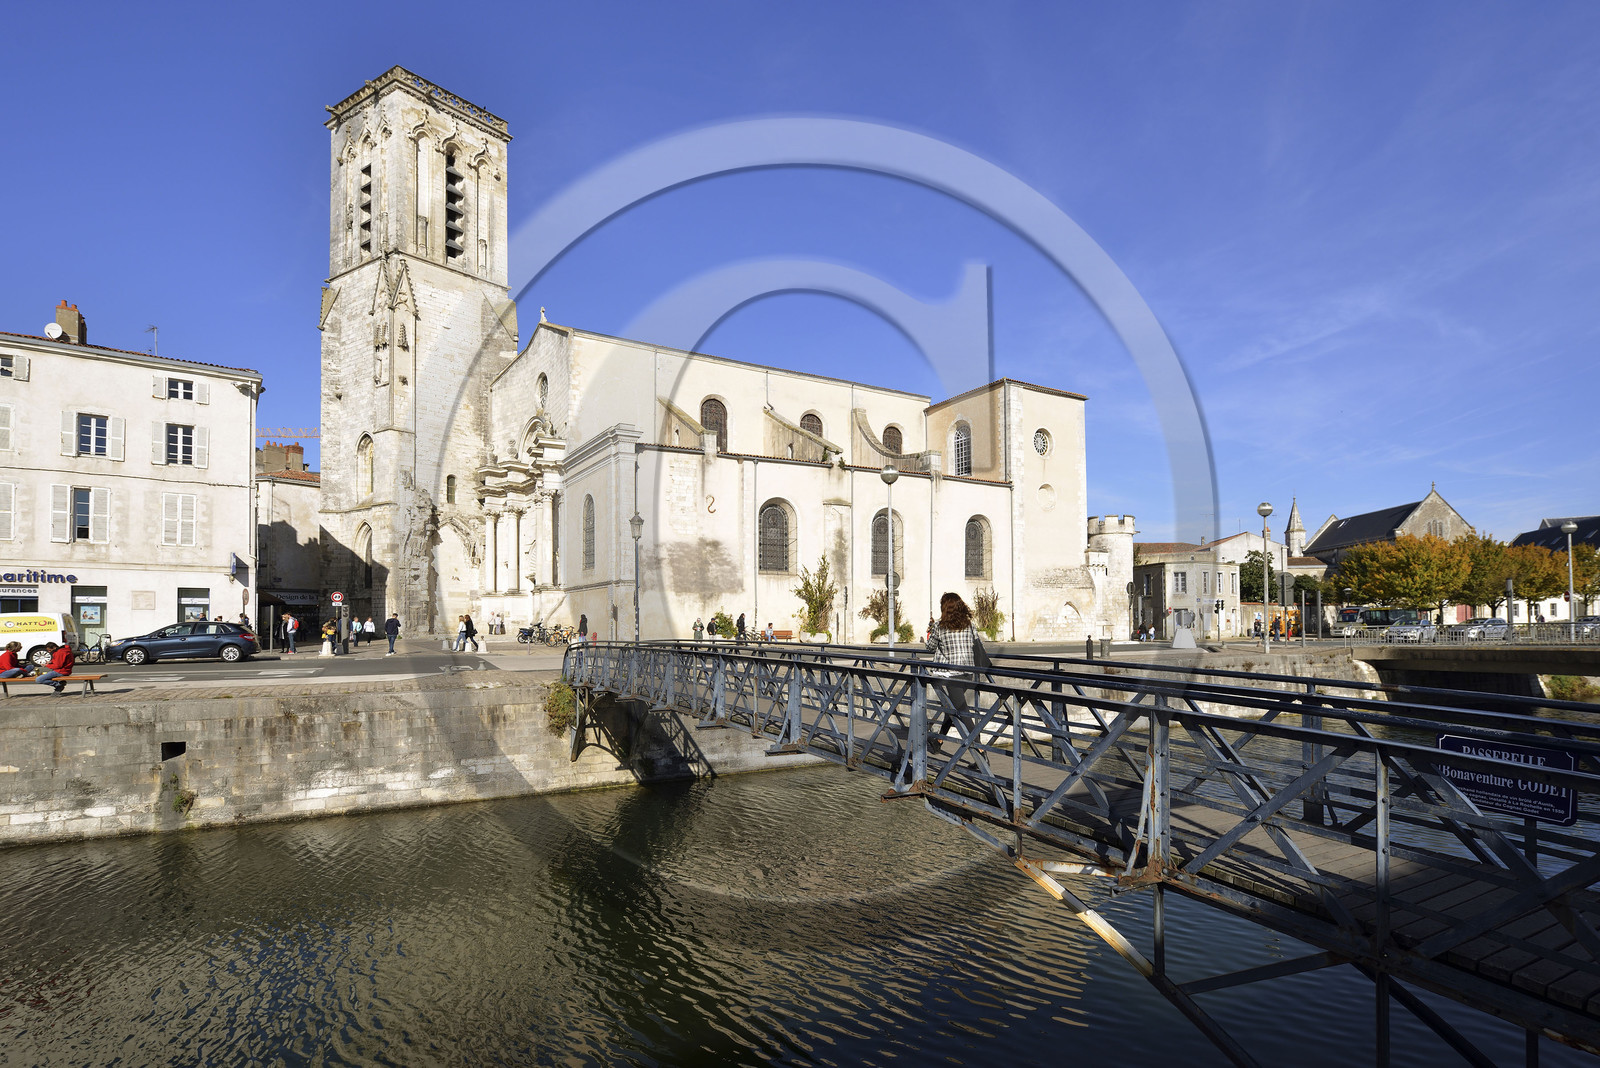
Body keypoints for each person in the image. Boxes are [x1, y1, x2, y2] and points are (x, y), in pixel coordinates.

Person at [925, 593, 983, 751]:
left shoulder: (939, 626)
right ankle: (939, 740)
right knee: (952, 706)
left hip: (950, 674)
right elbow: (976, 644)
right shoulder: (969, 625)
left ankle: (981, 750)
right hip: (968, 672)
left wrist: (929, 632)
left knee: (962, 711)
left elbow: (929, 648)